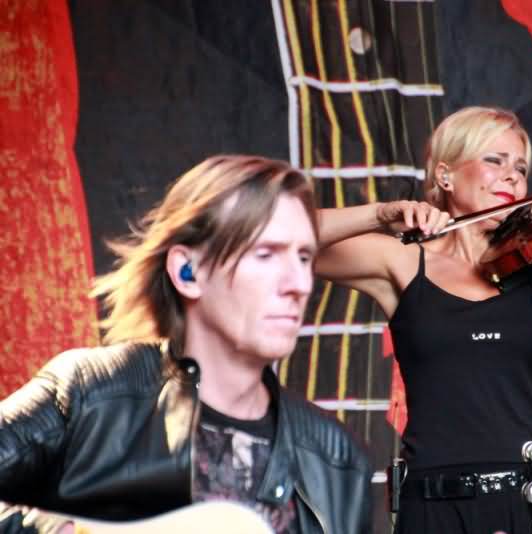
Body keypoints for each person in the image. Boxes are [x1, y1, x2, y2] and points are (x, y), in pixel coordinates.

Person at [314, 106, 532, 533]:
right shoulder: (402, 260)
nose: (512, 177)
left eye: (521, 168)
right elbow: (280, 235)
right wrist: (380, 214)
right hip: (434, 506)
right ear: (445, 175)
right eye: (495, 160)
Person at [0, 155, 373, 534]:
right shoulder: (89, 395)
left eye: (304, 257)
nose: (299, 284)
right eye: (265, 254)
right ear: (187, 272)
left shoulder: (337, 460)